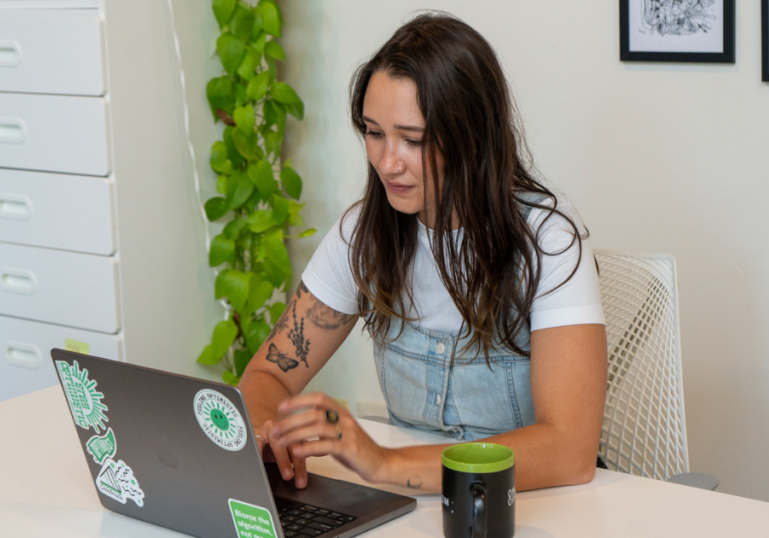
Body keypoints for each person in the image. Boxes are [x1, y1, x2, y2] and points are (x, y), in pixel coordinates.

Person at [240, 13, 607, 494]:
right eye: (374, 133)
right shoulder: (364, 235)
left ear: (471, 136)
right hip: (414, 509)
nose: (386, 162)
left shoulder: (548, 239)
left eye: (412, 140)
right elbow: (267, 375)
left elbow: (569, 450)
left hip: (531, 509)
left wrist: (385, 464)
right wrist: (266, 433)